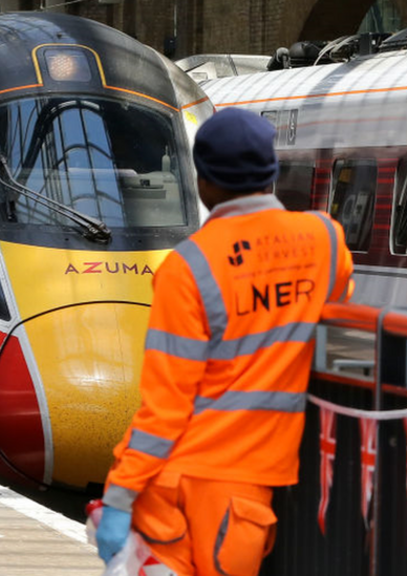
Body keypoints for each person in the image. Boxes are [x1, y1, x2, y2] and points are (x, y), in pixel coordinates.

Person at [95, 108, 354, 576]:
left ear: (204, 182)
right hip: (240, 492)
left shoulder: (188, 266)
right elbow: (337, 331)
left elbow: (166, 407)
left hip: (172, 489)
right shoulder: (326, 243)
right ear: (272, 173)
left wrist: (119, 495)